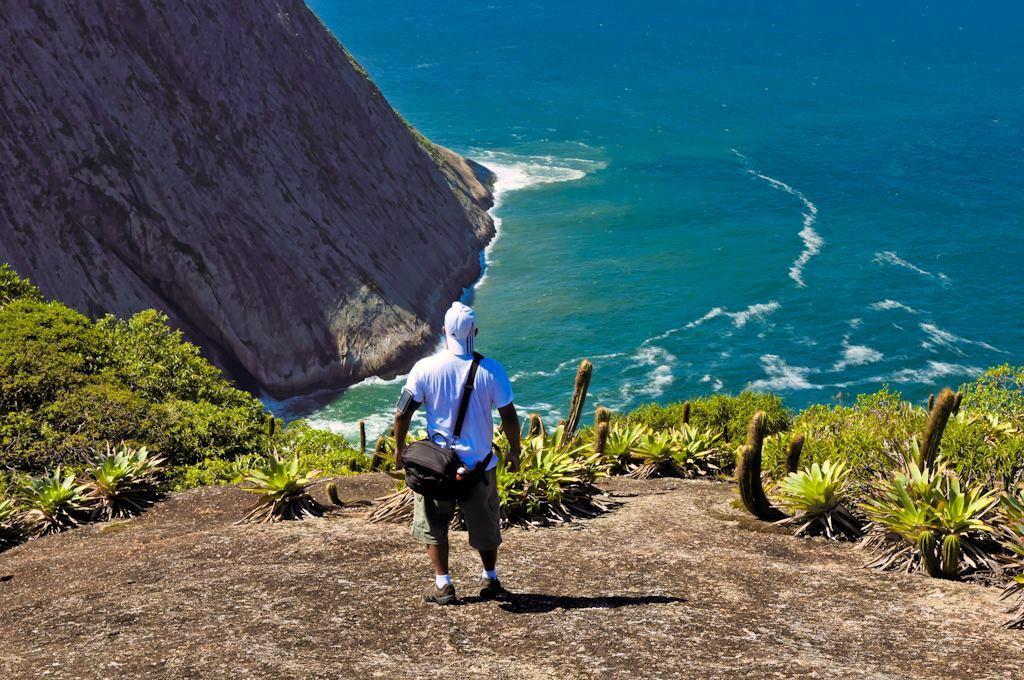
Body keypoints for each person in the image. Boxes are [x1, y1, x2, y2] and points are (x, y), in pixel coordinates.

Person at [394, 301, 521, 605]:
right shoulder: (492, 370)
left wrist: (399, 450)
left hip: (437, 465)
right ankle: (489, 578)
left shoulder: (425, 368)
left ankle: (443, 584)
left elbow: (402, 413)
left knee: (435, 525)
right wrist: (515, 450)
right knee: (485, 523)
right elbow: (509, 416)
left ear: (444, 331)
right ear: (475, 332)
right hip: (480, 463)